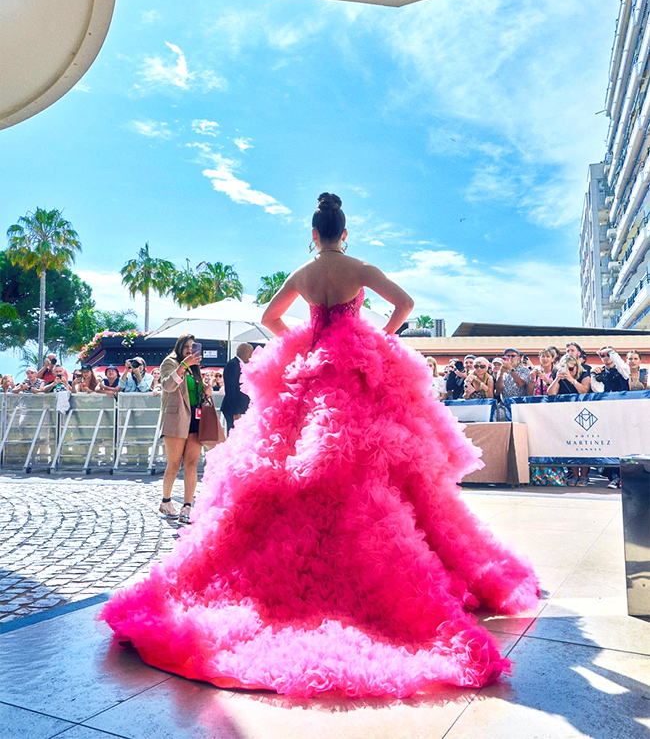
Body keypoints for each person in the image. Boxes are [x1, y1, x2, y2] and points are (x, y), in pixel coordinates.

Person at [101, 192, 538, 698]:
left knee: (285, 462)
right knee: (374, 464)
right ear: (344, 233)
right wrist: (378, 334)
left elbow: (270, 316)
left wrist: (305, 339)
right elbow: (406, 305)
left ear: (313, 235)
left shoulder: (304, 276)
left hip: (310, 372)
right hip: (354, 370)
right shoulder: (360, 267)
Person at [157, 335, 212, 525]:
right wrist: (183, 366)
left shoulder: (196, 367)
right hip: (176, 419)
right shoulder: (170, 362)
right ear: (179, 347)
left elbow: (193, 393)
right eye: (187, 346)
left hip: (196, 420)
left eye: (193, 346)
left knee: (192, 463)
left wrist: (206, 390)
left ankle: (187, 506)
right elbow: (167, 385)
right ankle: (166, 501)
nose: (190, 350)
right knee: (173, 463)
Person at [548, 354, 591, 487]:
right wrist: (557, 379)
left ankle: (584, 475)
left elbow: (584, 391)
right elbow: (551, 393)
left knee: (584, 444)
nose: (568, 371)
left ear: (577, 367)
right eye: (566, 369)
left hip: (583, 411)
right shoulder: (558, 375)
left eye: (571, 368)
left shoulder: (584, 374)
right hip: (565, 412)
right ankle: (575, 474)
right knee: (570, 443)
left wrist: (572, 379)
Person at [221, 343, 253, 433]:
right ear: (246, 352)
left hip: (242, 407)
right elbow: (231, 390)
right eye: (251, 353)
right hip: (234, 409)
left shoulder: (239, 365)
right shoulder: (233, 365)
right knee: (234, 435)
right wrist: (236, 412)